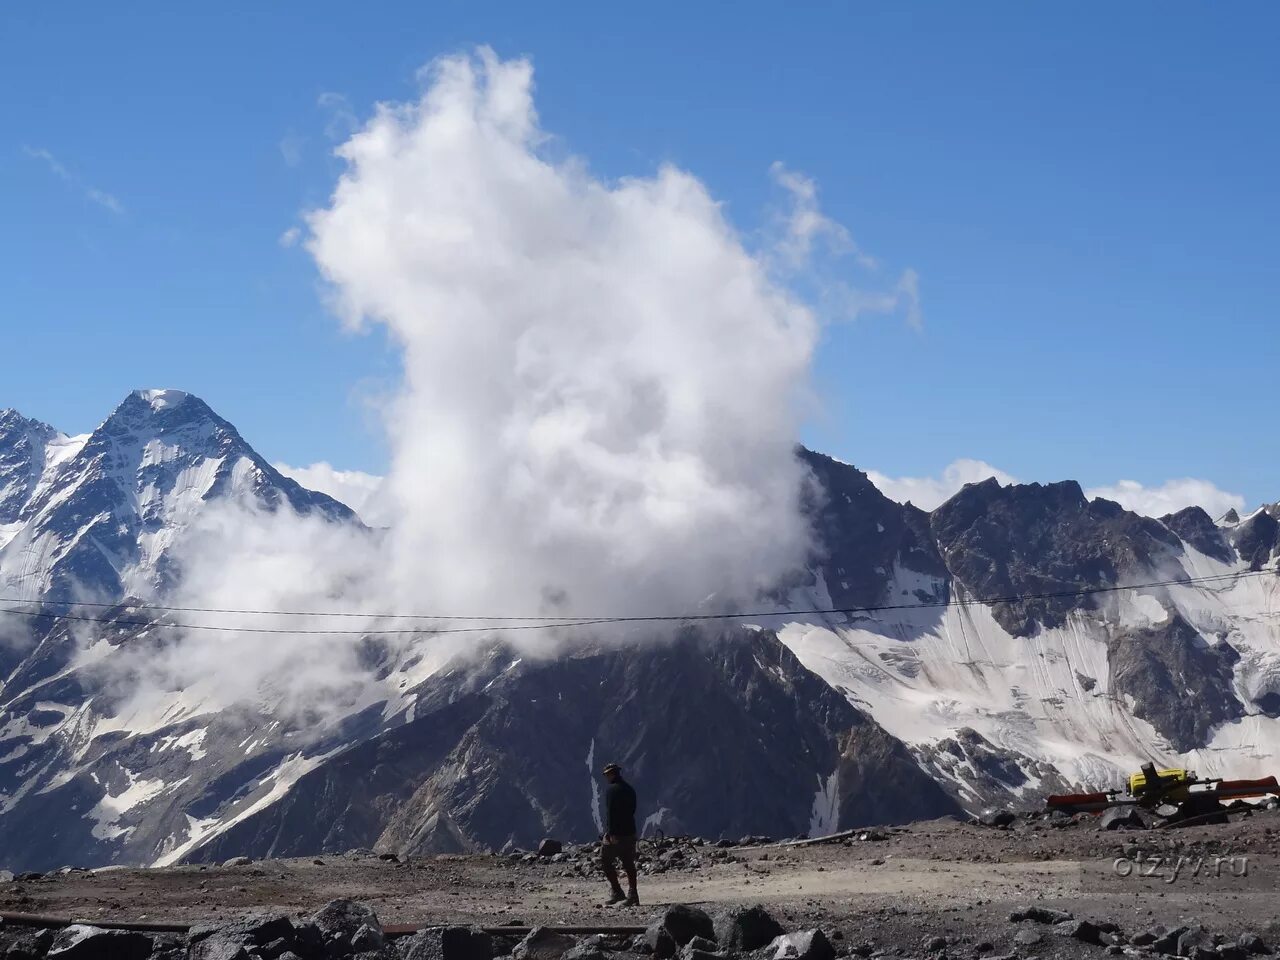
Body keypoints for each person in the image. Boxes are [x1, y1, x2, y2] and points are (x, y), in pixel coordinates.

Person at [600, 762, 639, 906]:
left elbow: (610, 813)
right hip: (630, 831)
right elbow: (633, 809)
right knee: (629, 863)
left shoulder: (611, 790)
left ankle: (617, 891)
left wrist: (610, 833)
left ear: (611, 774)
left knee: (605, 860)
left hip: (616, 834)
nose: (606, 777)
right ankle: (633, 894)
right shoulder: (629, 789)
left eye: (606, 775)